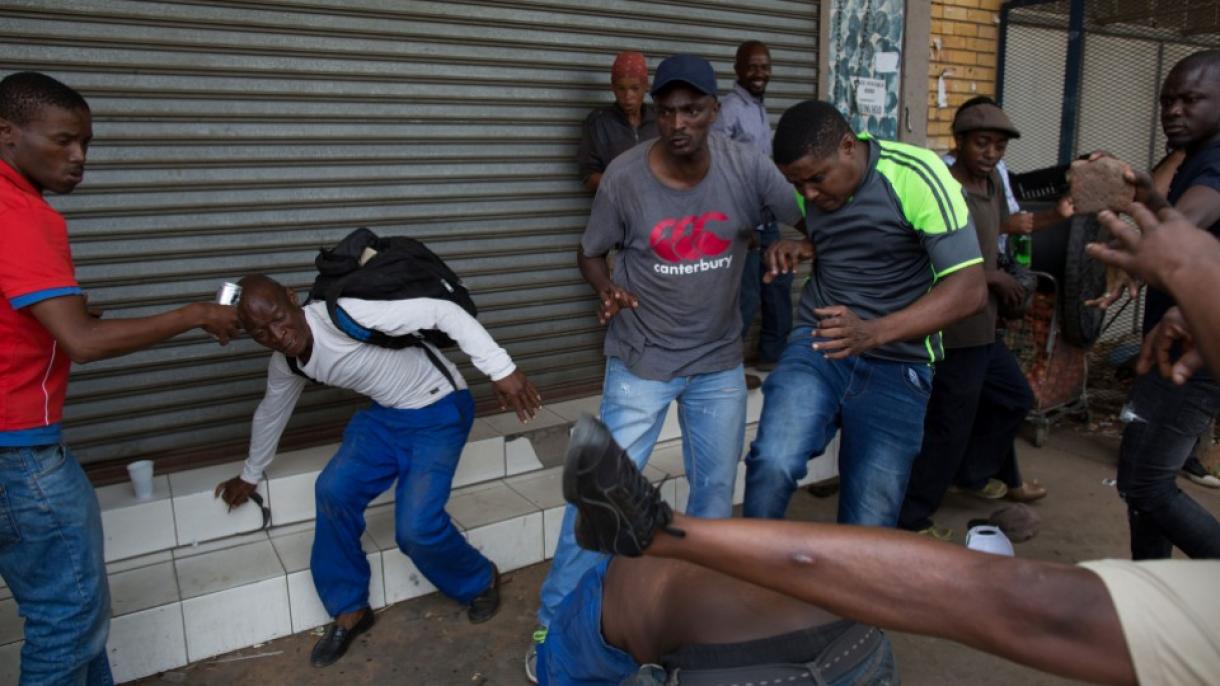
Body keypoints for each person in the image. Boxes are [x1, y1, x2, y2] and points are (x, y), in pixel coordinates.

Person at [565, 414, 1220, 686]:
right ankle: (662, 530)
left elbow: (1029, 603)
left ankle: (660, 530)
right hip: (855, 643)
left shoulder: (594, 609)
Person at [530, 53, 803, 679]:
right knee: (597, 499)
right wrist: (604, 288)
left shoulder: (745, 167)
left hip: (716, 363)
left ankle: (694, 617)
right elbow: (589, 251)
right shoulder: (625, 176)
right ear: (657, 112)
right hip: (641, 361)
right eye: (667, 109)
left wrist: (799, 239)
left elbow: (814, 210)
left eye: (692, 109)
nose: (678, 122)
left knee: (712, 493)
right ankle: (554, 619)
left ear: (714, 112)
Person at [0, 71, 239, 685]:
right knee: (68, 620)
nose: (80, 158)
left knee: (72, 618)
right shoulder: (24, 215)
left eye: (88, 144)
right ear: (6, 133)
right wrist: (195, 314)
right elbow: (79, 342)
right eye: (64, 141)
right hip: (19, 454)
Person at [214, 274, 541, 668]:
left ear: (292, 298)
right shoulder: (286, 362)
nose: (278, 335)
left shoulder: (344, 314)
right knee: (333, 490)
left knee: (416, 527)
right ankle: (350, 608)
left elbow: (443, 311)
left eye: (280, 318)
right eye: (262, 333)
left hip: (439, 409)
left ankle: (479, 578)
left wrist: (501, 369)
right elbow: (272, 411)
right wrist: (251, 473)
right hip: (386, 417)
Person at [742, 100, 987, 525]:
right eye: (797, 185)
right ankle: (753, 570)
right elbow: (853, 233)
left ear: (848, 146)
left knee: (869, 516)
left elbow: (968, 289)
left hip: (899, 362)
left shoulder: (914, 175)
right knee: (773, 460)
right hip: (821, 341)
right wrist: (806, 244)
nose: (809, 196)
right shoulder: (813, 188)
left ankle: (846, 588)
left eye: (817, 179)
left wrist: (871, 334)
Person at [898, 103, 1045, 541]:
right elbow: (923, 261)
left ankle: (972, 472)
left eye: (998, 145)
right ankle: (913, 517)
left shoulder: (992, 183)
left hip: (984, 327)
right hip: (953, 331)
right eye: (981, 143)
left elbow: (990, 237)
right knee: (947, 426)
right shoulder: (942, 188)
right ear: (957, 142)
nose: (991, 153)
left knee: (1014, 398)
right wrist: (992, 276)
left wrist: (1004, 272)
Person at [1104, 50, 1220, 560]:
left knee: (1147, 485)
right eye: (1167, 100)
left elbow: (1187, 223)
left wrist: (1142, 245)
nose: (1173, 110)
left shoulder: (1217, 160)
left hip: (1193, 354)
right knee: (1139, 483)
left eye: (1191, 99)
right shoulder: (1198, 154)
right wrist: (1150, 195)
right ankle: (1150, 585)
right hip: (1172, 346)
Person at [538, 545, 895, 684]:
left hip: (741, 673)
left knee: (558, 656)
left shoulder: (589, 608)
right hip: (861, 641)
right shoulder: (719, 542)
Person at [713, 40, 793, 377]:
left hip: (766, 217)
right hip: (742, 220)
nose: (759, 73)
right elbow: (716, 163)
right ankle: (724, 368)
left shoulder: (758, 107)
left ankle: (773, 358)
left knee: (777, 288)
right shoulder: (730, 109)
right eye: (752, 66)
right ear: (737, 69)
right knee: (743, 297)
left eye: (765, 66)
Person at [577, 51, 658, 193]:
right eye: (621, 88)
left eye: (635, 88)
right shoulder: (598, 123)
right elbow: (588, 177)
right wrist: (623, 186)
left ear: (646, 86)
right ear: (613, 87)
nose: (628, 97)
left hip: (656, 208)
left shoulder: (659, 121)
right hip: (615, 209)